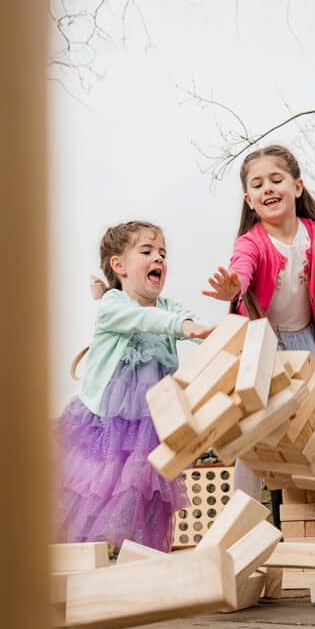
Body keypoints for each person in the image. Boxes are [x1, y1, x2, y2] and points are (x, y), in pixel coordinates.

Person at [204, 144, 315, 500]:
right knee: (255, 435)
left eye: (277, 179)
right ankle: (248, 518)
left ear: (297, 187)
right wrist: (234, 287)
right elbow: (242, 269)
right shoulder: (250, 242)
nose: (267, 188)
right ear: (249, 199)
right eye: (257, 185)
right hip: (262, 346)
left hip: (305, 343)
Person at [56, 221, 212, 550]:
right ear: (119, 265)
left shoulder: (171, 308)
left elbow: (194, 330)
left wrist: (214, 335)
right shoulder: (113, 305)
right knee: (95, 491)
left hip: (152, 424)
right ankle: (84, 554)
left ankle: (143, 562)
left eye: (163, 254)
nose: (159, 259)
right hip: (106, 424)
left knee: (146, 492)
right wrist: (186, 328)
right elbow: (147, 319)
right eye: (147, 252)